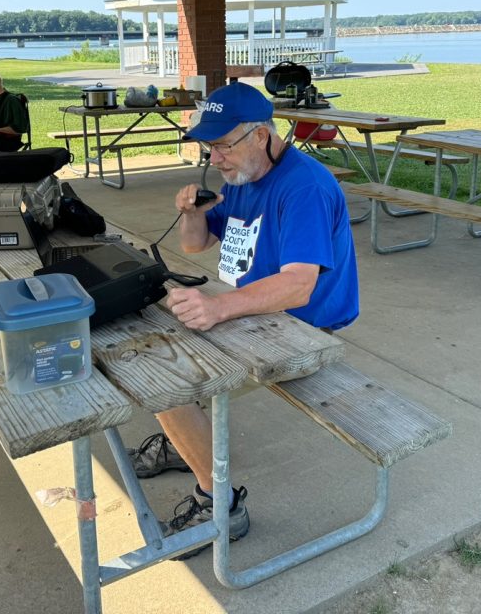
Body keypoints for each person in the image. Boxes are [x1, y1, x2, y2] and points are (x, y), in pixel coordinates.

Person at [131, 80, 360, 558]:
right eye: (207, 147)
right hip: (255, 311)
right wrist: (188, 211)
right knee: (149, 348)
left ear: (261, 135)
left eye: (221, 145)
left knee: (165, 386)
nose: (214, 158)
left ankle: (221, 506)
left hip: (302, 325)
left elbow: (300, 284)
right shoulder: (243, 176)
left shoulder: (305, 188)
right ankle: (186, 445)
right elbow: (195, 245)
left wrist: (217, 308)